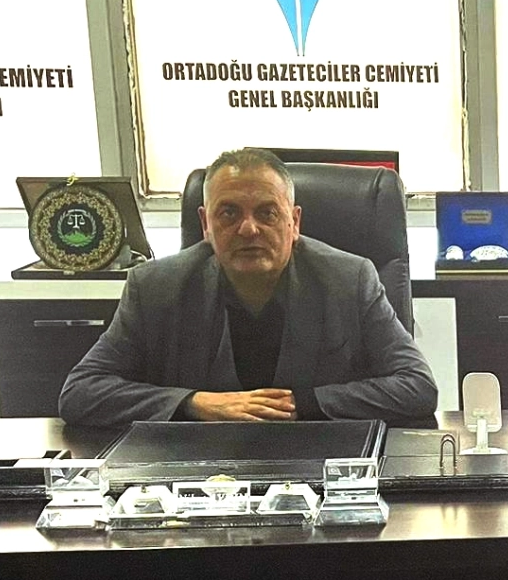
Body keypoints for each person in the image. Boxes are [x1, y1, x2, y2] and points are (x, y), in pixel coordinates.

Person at [60, 147, 437, 427]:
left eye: (267, 213)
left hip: (321, 466)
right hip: (198, 477)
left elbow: (417, 386)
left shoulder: (350, 279)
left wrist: (300, 404)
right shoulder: (156, 286)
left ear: (294, 222)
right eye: (229, 213)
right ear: (205, 224)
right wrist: (195, 403)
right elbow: (80, 392)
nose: (248, 229)